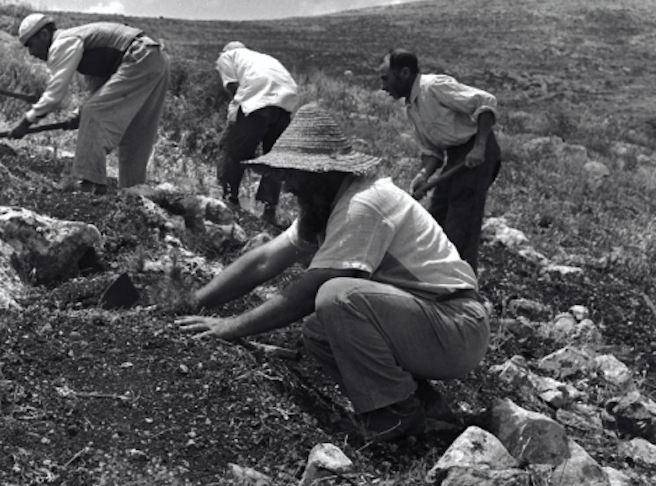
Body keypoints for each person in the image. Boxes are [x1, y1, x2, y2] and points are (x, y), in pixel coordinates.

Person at [176, 103, 489, 442]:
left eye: (293, 175)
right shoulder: (330, 202)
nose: (289, 187)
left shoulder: (364, 204)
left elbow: (311, 291)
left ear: (321, 174)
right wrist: (195, 302)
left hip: (456, 326)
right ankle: (424, 409)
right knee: (319, 331)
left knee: (336, 296)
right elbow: (265, 259)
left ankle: (395, 416)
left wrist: (230, 327)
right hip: (435, 324)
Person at [12, 14, 169, 194]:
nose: (31, 53)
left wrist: (26, 122)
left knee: (93, 113)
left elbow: (54, 94)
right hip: (154, 58)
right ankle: (134, 193)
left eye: (31, 45)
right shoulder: (88, 47)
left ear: (44, 34)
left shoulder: (63, 42)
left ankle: (89, 186)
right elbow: (100, 89)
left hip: (138, 56)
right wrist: (78, 116)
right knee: (134, 135)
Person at [378, 49, 501, 273]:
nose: (383, 86)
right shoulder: (412, 107)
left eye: (386, 78)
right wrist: (423, 175)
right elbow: (433, 152)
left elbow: (485, 102)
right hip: (455, 158)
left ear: (404, 73)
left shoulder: (433, 87)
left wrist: (480, 146)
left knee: (461, 220)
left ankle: (463, 286)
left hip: (476, 152)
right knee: (436, 216)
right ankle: (437, 276)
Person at [214, 41, 301, 224]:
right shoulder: (262, 57)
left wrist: (236, 118)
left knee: (232, 149)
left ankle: (229, 202)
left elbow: (233, 87)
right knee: (275, 159)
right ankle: (267, 211)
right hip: (285, 102)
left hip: (258, 98)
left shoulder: (227, 57)